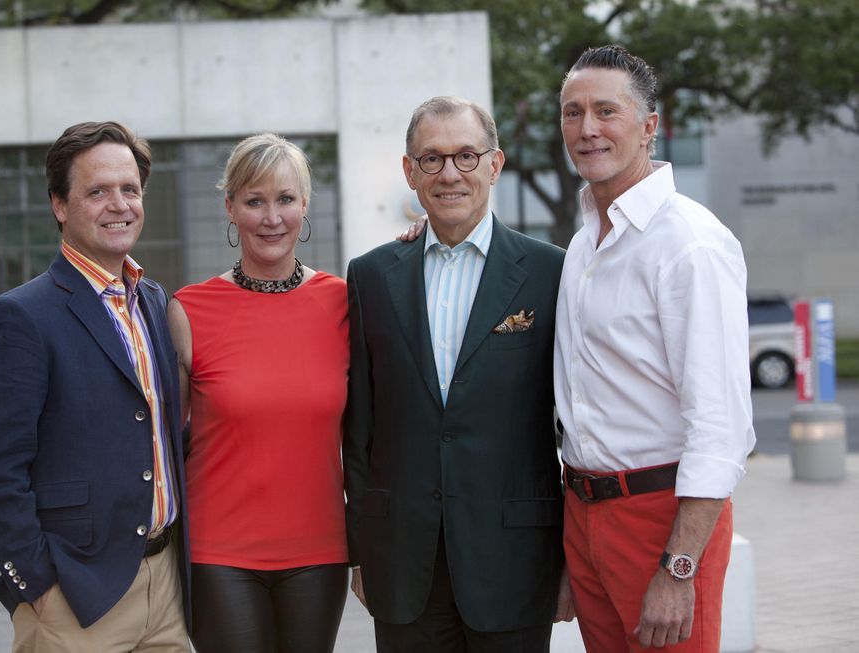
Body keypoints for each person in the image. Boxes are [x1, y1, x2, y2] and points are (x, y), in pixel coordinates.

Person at [344, 96, 569, 653]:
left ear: (495, 165)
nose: (449, 173)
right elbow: (360, 429)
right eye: (432, 158)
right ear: (409, 170)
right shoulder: (371, 276)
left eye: (467, 156)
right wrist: (363, 550)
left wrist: (570, 558)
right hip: (403, 562)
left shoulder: (552, 272)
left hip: (515, 559)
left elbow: (573, 422)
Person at [554, 45, 756, 652]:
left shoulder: (690, 244)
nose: (587, 128)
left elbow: (719, 425)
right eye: (572, 112)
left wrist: (679, 568)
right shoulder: (584, 241)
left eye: (606, 111)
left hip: (662, 521)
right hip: (584, 512)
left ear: (648, 127)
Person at [0, 121, 190, 652]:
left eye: (130, 189)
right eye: (98, 191)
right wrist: (37, 586)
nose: (119, 204)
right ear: (60, 205)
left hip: (169, 590)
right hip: (74, 599)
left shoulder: (154, 301)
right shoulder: (20, 317)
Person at [167, 133, 349, 653]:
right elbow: (162, 437)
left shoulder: (342, 302)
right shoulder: (189, 310)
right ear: (230, 207)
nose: (272, 217)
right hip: (219, 552)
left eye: (285, 199)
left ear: (304, 205)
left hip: (319, 549)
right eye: (254, 201)